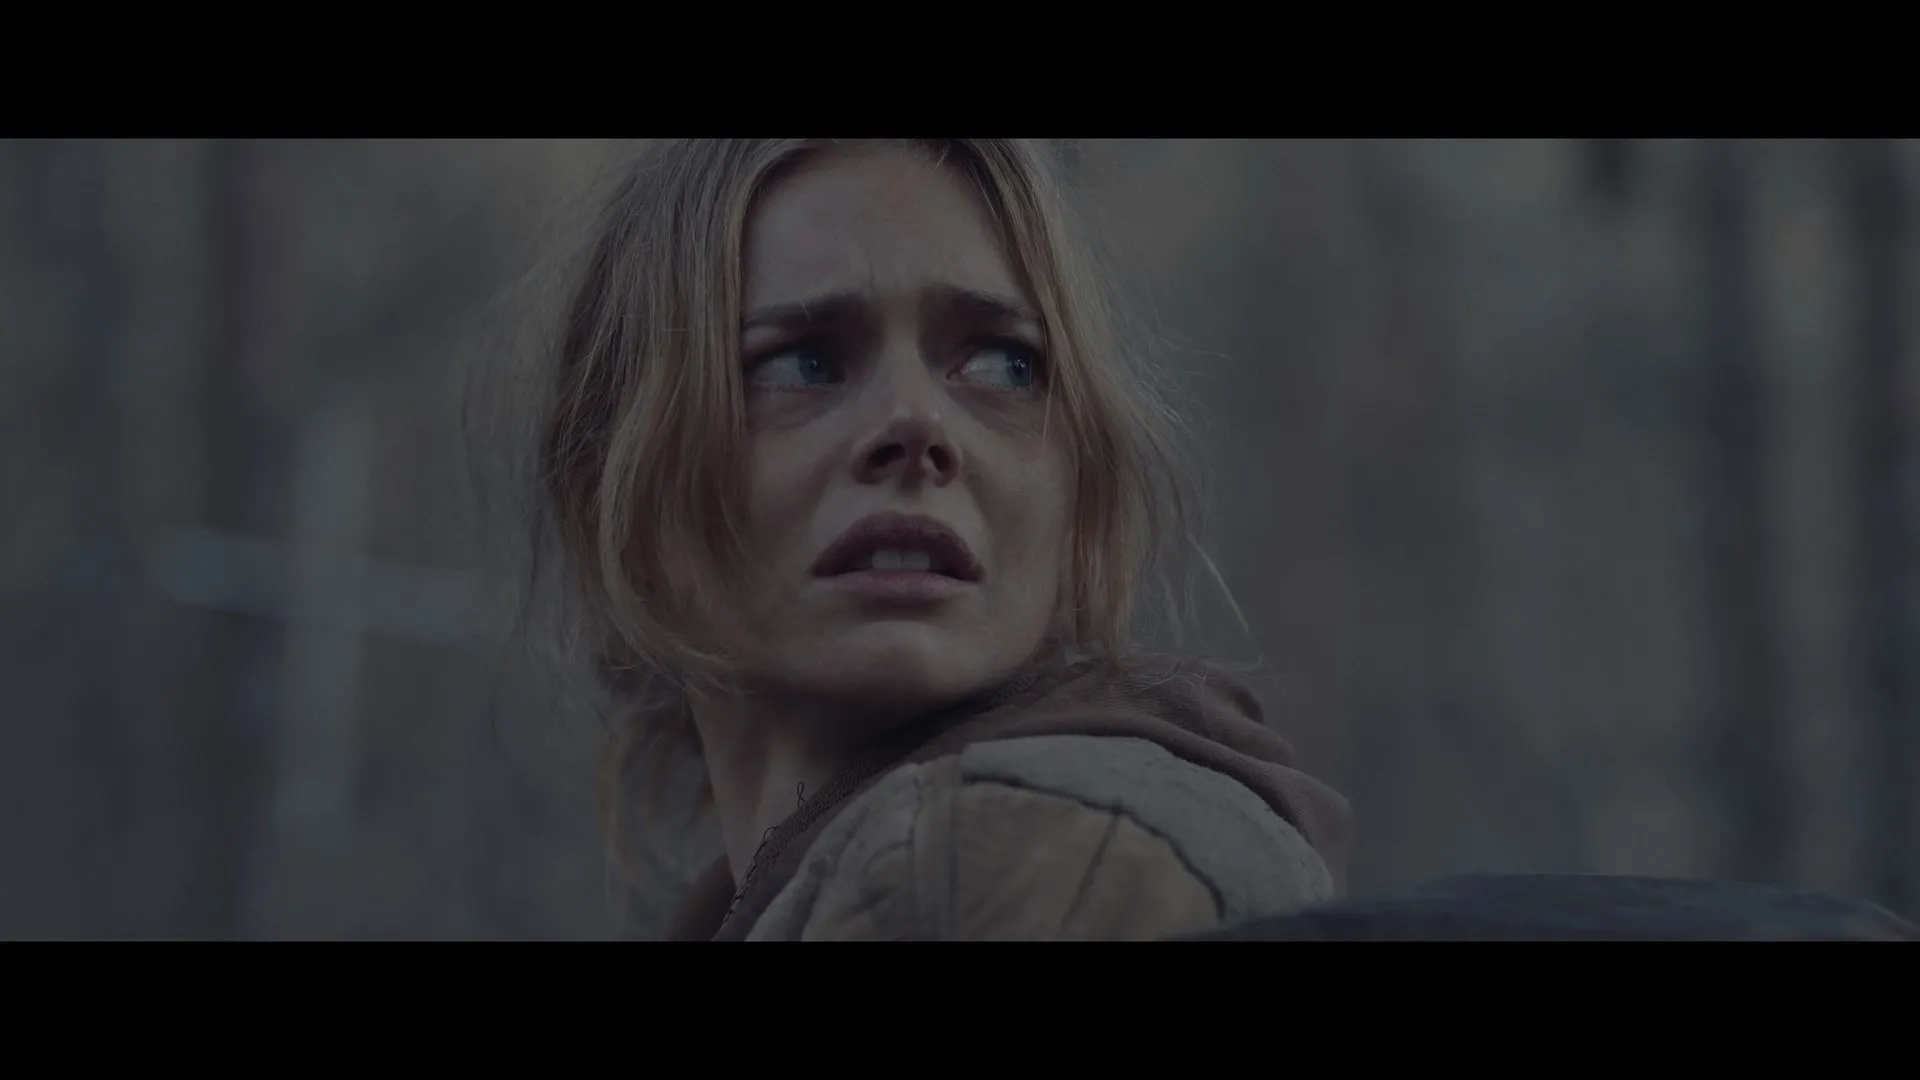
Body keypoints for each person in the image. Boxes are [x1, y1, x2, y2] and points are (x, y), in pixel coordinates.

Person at [510, 138, 1350, 940]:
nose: (915, 422)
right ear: (615, 488)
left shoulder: (1009, 862)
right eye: (803, 363)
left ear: (1078, 495)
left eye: (1002, 365)